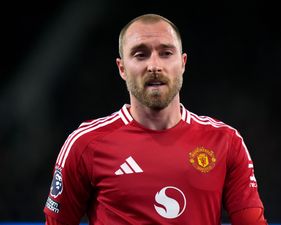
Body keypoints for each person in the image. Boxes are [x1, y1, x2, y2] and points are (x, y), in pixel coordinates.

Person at [44, 13, 268, 225]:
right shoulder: (85, 144)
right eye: (140, 54)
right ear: (122, 68)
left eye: (166, 53)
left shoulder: (225, 141)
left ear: (183, 63)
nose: (154, 66)